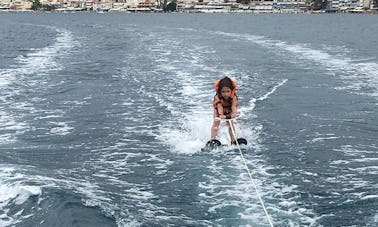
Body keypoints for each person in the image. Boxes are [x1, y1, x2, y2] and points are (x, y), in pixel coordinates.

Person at [210, 76, 239, 145]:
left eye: (228, 91)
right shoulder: (217, 97)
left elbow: (234, 106)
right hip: (218, 109)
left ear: (231, 91)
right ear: (220, 91)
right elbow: (219, 107)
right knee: (216, 122)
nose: (225, 94)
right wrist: (221, 115)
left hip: (228, 108)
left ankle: (233, 140)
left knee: (230, 123)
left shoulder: (234, 97)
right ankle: (213, 139)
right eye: (223, 92)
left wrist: (234, 113)